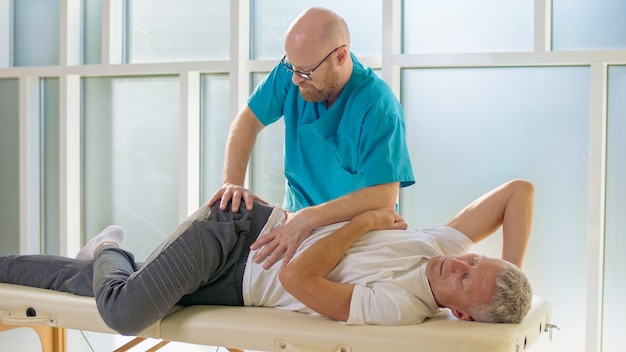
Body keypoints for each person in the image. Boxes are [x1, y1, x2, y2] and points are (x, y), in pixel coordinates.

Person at [0, 179, 533, 336]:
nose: (457, 264)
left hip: (238, 281)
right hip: (237, 233)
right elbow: (519, 192)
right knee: (123, 312)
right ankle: (110, 249)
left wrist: (367, 222)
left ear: (459, 314)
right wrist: (512, 266)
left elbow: (300, 277)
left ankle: (101, 256)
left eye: (465, 280)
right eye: (474, 261)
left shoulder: (401, 306)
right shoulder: (442, 247)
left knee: (89, 290)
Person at [208, 7, 415, 269]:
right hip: (294, 222)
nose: (295, 80)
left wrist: (311, 218)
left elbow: (383, 196)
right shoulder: (294, 71)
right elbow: (248, 121)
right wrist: (231, 183)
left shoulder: (378, 107)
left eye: (304, 73)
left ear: (340, 56)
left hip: (357, 235)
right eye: (292, 67)